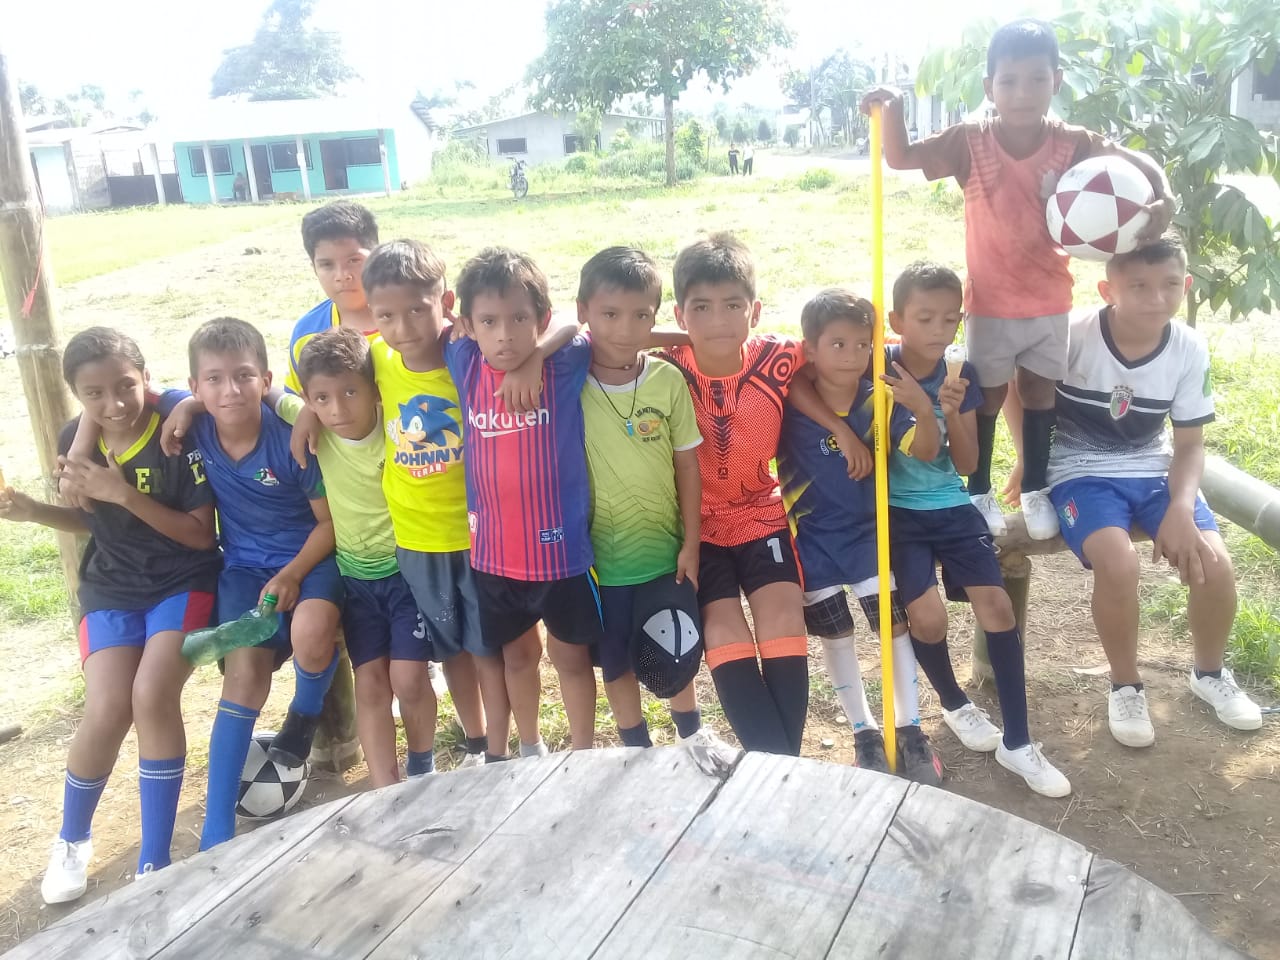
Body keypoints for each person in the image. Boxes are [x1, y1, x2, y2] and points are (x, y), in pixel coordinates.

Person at [862, 18, 1174, 542]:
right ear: (990, 87)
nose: (1023, 93)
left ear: (1057, 81)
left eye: (1036, 79)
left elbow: (1135, 162)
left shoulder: (1074, 143)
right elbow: (901, 157)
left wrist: (1163, 195)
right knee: (987, 395)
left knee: (1038, 392)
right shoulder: (971, 140)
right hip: (989, 302)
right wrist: (892, 105)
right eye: (1008, 81)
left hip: (1050, 298)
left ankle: (1035, 487)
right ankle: (979, 489)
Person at [0, 328, 220, 902]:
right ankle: (72, 840)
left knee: (151, 693)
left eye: (125, 386)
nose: (114, 403)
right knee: (105, 707)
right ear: (77, 395)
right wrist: (32, 511)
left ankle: (155, 857)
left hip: (183, 581)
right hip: (111, 586)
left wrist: (123, 493)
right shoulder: (76, 439)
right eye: (94, 393)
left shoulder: (176, 433)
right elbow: (92, 522)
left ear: (146, 377)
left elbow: (201, 536)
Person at [1047, 235, 1262, 747]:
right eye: (1138, 286)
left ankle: (1209, 673)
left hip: (1154, 466)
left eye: (1169, 284)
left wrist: (1181, 508)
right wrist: (1027, 467)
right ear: (1108, 290)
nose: (1156, 298)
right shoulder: (1072, 334)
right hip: (1078, 469)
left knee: (1215, 563)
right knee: (1118, 562)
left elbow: (1190, 444)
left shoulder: (1187, 347)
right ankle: (1126, 685)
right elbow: (1021, 389)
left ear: (1186, 285)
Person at [660, 231, 870, 756]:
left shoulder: (776, 356)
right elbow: (601, 338)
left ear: (755, 311)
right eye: (701, 308)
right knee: (723, 631)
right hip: (696, 528)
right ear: (680, 315)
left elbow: (825, 357)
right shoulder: (665, 366)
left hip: (761, 514)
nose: (718, 320)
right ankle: (783, 766)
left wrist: (840, 429)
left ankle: (779, 766)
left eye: (733, 306)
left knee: (783, 620)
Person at [885, 262, 1070, 797]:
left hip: (950, 506)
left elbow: (967, 465)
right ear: (897, 320)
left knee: (997, 608)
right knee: (927, 617)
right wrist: (921, 410)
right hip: (896, 513)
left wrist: (950, 410)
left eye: (950, 319)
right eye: (925, 318)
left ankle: (1019, 741)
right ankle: (954, 702)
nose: (939, 329)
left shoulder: (958, 373)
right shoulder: (879, 368)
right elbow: (907, 446)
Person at [162, 317, 343, 848]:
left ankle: (304, 714)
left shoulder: (292, 439)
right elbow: (143, 392)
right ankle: (216, 828)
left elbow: (329, 523)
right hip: (243, 569)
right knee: (242, 678)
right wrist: (183, 406)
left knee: (313, 629)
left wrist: (293, 573)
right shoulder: (196, 427)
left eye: (244, 376)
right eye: (214, 380)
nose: (230, 390)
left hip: (310, 558)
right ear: (196, 387)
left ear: (265, 380)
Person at [777, 289, 945, 781]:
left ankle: (910, 729)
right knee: (836, 636)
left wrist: (924, 410)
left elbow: (925, 450)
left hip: (871, 537)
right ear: (810, 349)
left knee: (892, 629)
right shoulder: (787, 401)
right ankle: (864, 733)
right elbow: (795, 382)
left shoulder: (881, 399)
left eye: (862, 344)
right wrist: (843, 432)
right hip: (811, 542)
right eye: (838, 344)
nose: (852, 355)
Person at [446, 246, 603, 754]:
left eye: (519, 319)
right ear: (469, 324)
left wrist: (537, 357)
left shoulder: (565, 363)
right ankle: (530, 746)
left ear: (541, 318)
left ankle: (583, 752)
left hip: (561, 556)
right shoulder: (463, 360)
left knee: (572, 658)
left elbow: (579, 329)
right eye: (488, 321)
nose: (505, 335)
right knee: (517, 657)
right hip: (495, 557)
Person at [576, 245, 730, 755]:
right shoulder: (569, 381)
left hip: (666, 555)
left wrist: (691, 543)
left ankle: (692, 734)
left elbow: (687, 464)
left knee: (677, 646)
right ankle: (634, 747)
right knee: (615, 661)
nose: (625, 329)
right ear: (584, 312)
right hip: (602, 563)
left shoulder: (667, 380)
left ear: (656, 316)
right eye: (610, 315)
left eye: (641, 315)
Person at [283, 328, 438, 785]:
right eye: (322, 399)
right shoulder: (318, 426)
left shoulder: (397, 425)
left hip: (408, 573)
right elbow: (268, 394)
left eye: (350, 392)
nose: (337, 409)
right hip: (356, 581)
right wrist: (303, 413)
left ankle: (422, 766)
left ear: (374, 389)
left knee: (409, 679)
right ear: (309, 399)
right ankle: (384, 788)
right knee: (370, 684)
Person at [285, 201, 380, 394]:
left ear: (377, 257)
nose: (342, 275)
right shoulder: (308, 333)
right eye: (327, 265)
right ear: (314, 268)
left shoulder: (410, 320)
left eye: (354, 260)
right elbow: (297, 400)